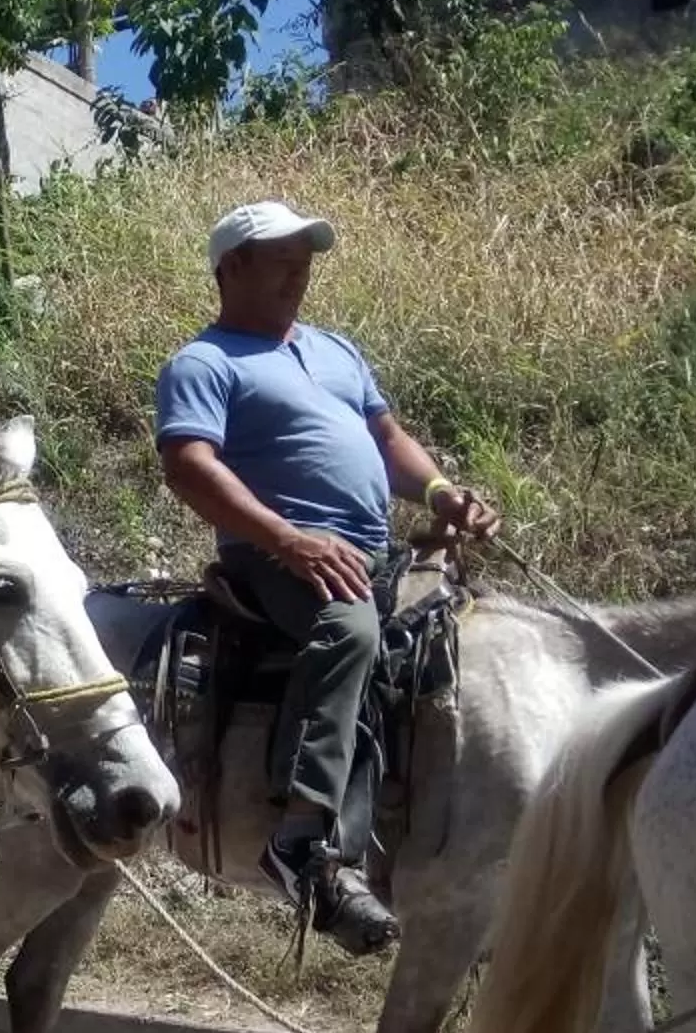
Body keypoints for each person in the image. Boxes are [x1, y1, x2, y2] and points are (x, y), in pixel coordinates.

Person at [153, 201, 499, 954]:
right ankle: (303, 838)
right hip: (275, 557)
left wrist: (441, 493)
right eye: (282, 258)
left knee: (460, 635)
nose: (299, 272)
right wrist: (287, 539)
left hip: (371, 550)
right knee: (348, 627)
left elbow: (387, 437)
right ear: (232, 267)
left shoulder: (335, 350)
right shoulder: (204, 362)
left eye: (304, 258)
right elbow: (188, 465)